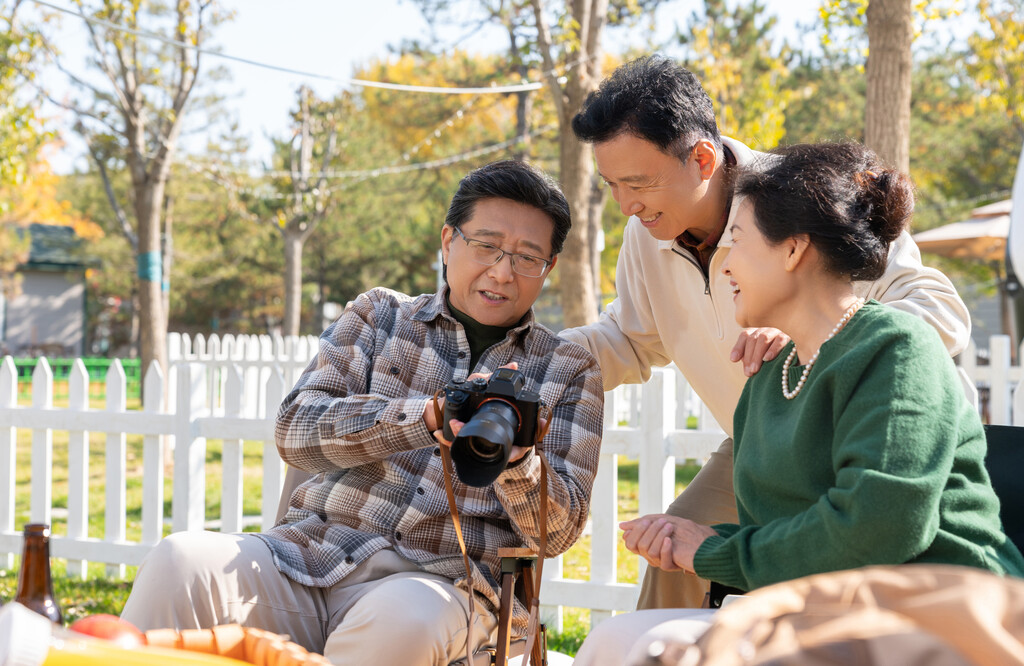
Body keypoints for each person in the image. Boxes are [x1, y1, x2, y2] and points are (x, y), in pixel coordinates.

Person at [120, 160, 605, 665]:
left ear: (548, 269)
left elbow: (558, 535)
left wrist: (518, 463)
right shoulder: (380, 316)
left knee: (402, 621)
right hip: (308, 558)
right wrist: (425, 418)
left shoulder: (567, 368)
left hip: (443, 583)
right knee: (180, 562)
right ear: (448, 242)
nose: (503, 272)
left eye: (528, 257)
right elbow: (295, 429)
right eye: (486, 246)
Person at [572, 142, 1024, 666]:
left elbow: (879, 529)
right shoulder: (771, 375)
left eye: (737, 241)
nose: (726, 264)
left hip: (939, 613)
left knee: (661, 649)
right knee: (614, 641)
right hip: (828, 607)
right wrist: (694, 535)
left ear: (792, 251)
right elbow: (783, 529)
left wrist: (715, 550)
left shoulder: (897, 348)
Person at [561, 55, 972, 610]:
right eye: (612, 184)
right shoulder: (646, 234)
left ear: (702, 159)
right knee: (673, 549)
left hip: (874, 441)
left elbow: (935, 305)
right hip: (765, 447)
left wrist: (819, 344)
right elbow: (632, 339)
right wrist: (532, 356)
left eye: (638, 182)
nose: (626, 205)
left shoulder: (807, 196)